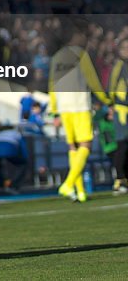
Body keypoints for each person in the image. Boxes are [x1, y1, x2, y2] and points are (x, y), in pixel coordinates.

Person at [49, 23, 110, 203]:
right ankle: (68, 184)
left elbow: (52, 86)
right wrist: (106, 100)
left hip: (63, 107)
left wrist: (54, 111)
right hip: (79, 105)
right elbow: (93, 80)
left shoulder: (57, 57)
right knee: (86, 145)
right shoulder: (80, 55)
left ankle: (79, 191)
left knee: (73, 147)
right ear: (75, 37)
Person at [107, 40, 128, 193]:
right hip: (122, 111)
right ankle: (119, 180)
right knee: (122, 145)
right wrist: (111, 105)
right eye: (125, 48)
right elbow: (111, 88)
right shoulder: (119, 66)